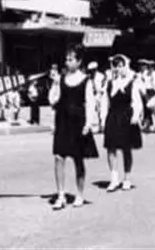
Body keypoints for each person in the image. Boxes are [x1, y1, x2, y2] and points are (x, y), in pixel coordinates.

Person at [48, 44, 98, 209]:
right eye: (66, 59)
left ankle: (80, 194)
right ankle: (61, 195)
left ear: (79, 61)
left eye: (71, 59)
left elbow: (90, 103)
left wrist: (88, 123)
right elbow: (52, 100)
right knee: (58, 157)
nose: (67, 62)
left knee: (78, 159)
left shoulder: (86, 80)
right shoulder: (61, 79)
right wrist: (55, 84)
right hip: (62, 120)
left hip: (78, 121)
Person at [100, 54, 143, 192]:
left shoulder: (131, 83)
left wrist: (135, 115)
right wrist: (102, 119)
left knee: (126, 149)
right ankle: (114, 179)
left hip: (126, 117)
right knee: (111, 148)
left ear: (125, 66)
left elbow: (137, 102)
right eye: (115, 66)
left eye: (120, 66)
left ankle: (127, 179)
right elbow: (104, 102)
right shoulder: (109, 84)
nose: (118, 69)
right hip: (113, 117)